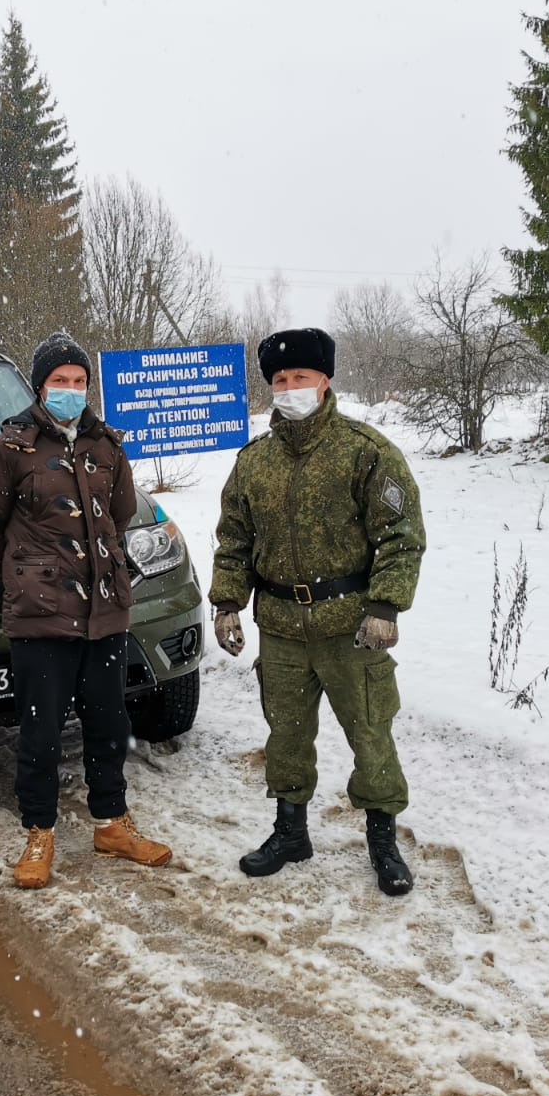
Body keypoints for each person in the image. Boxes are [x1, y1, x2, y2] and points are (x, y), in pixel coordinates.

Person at [209, 327, 426, 896]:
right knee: (285, 736)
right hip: (279, 626)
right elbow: (233, 536)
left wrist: (385, 606)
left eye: (300, 377)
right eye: (279, 380)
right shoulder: (254, 461)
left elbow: (401, 536)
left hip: (351, 628)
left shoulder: (365, 451)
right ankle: (290, 831)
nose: (289, 388)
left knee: (371, 734)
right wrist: (228, 601)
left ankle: (382, 840)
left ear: (324, 380)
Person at [0, 331, 174, 889]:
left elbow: (122, 513)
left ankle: (111, 823)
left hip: (103, 612)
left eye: (80, 382)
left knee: (110, 723)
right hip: (40, 615)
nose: (72, 391)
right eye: (61, 381)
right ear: (40, 386)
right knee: (41, 732)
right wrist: (24, 570)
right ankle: (40, 833)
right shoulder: (8, 450)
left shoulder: (106, 446)